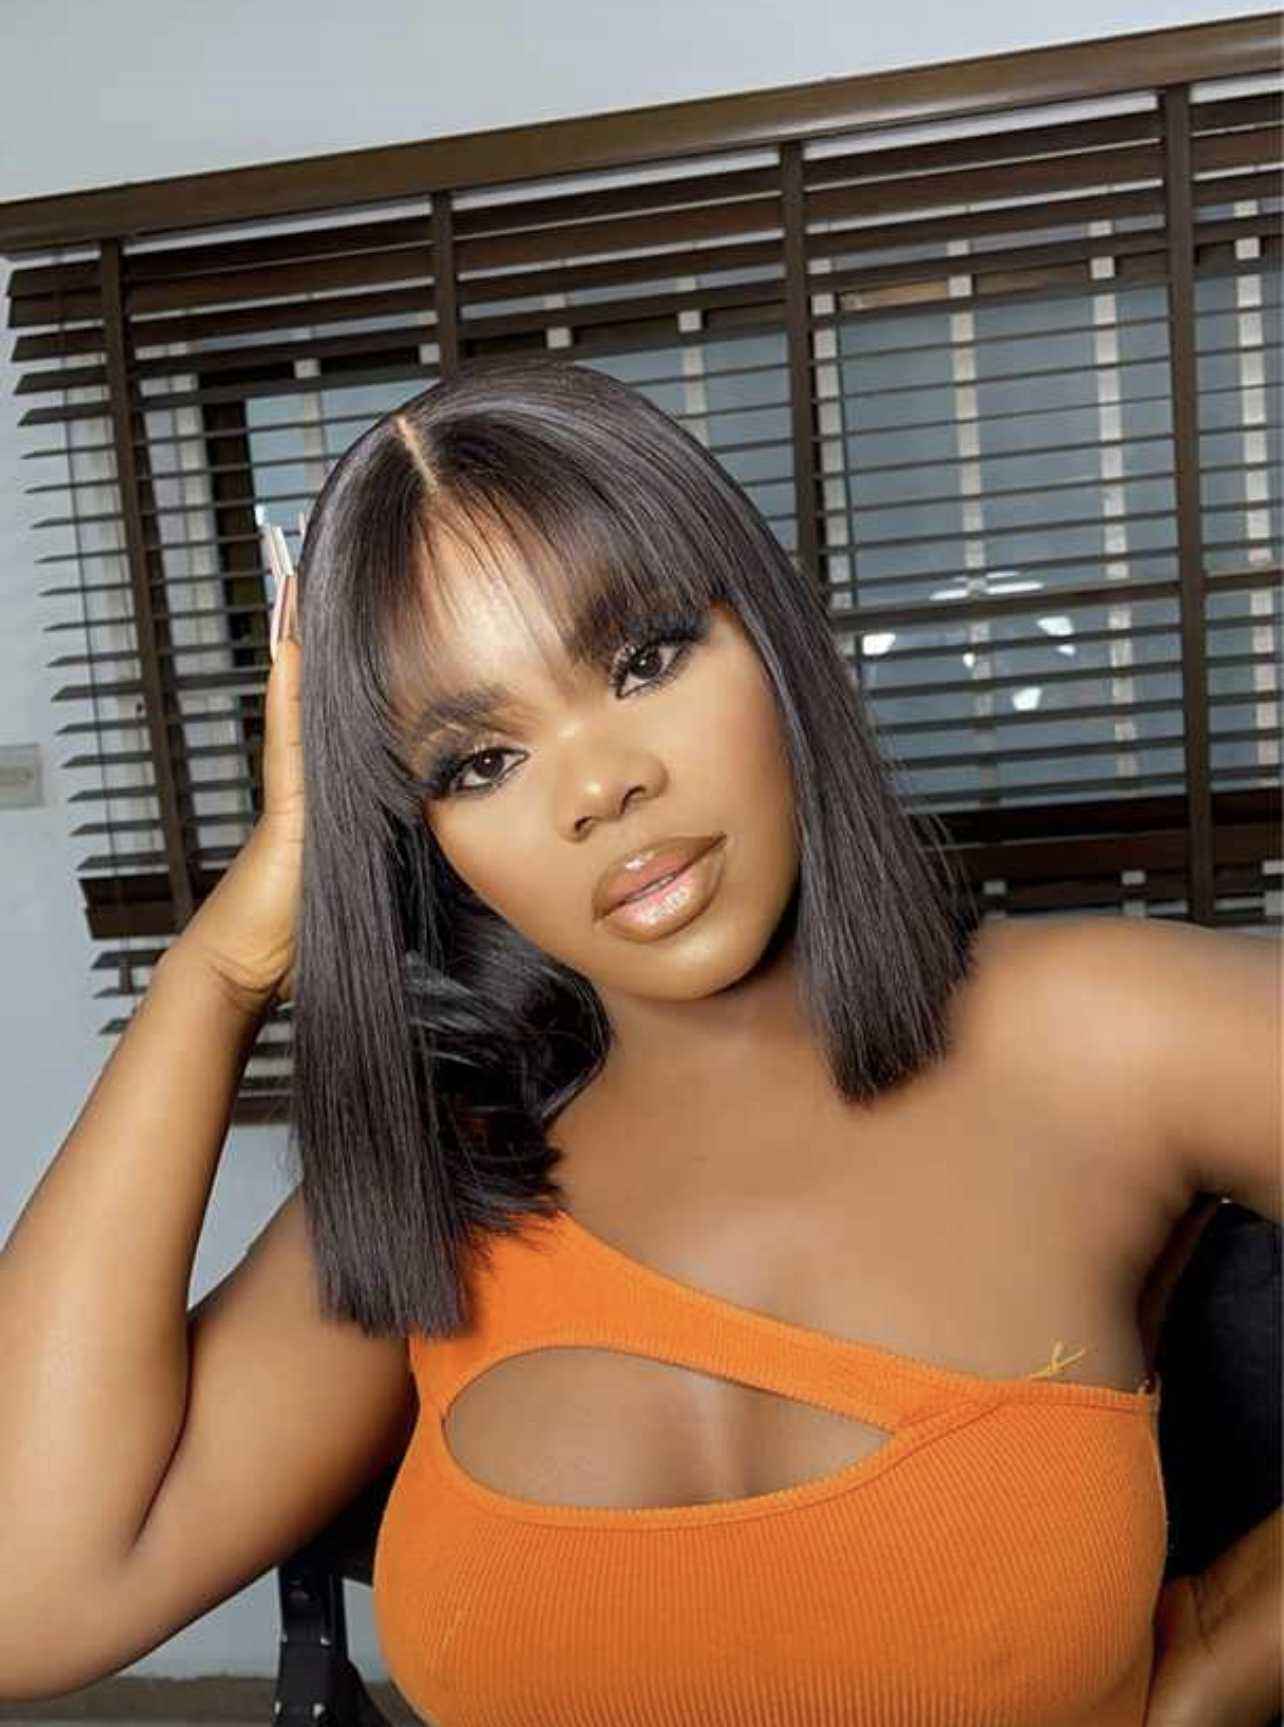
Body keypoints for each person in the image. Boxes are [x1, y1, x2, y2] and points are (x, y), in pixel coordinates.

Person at [1, 357, 1278, 1724]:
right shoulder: (445, 1186)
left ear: (767, 633)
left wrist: (1213, 1660)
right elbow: (31, 1601)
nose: (602, 787)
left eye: (645, 660)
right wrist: (222, 967)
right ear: (423, 833)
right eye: (480, 762)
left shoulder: (1096, 1034)